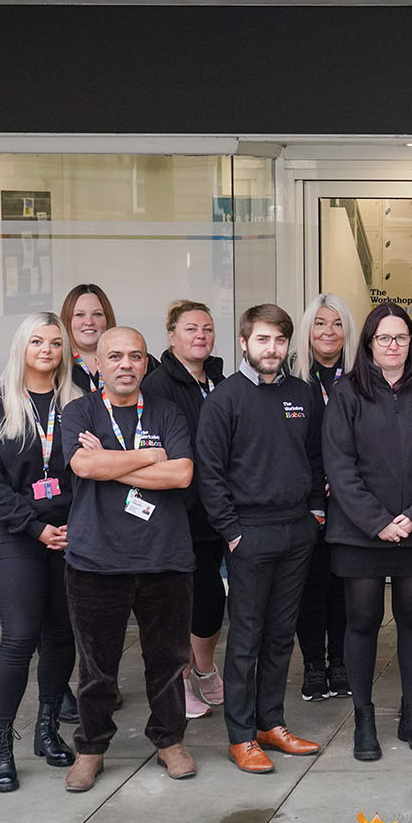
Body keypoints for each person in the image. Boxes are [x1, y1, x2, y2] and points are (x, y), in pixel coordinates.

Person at [59, 326, 199, 792]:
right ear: (96, 363)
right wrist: (146, 455)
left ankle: (168, 741)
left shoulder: (168, 410)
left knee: (168, 661)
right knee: (97, 667)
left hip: (165, 558)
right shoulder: (79, 411)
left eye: (135, 357)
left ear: (145, 364)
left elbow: (180, 474)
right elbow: (83, 466)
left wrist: (113, 463)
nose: (125, 364)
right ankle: (91, 748)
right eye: (115, 356)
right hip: (96, 561)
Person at [324, 302, 412, 762]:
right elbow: (339, 466)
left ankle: (410, 714)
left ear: (411, 343)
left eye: (401, 337)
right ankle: (364, 718)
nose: (394, 345)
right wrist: (377, 521)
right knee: (361, 622)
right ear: (369, 345)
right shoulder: (347, 394)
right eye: (384, 338)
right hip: (360, 533)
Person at [196, 304, 327, 774]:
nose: (272, 349)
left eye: (279, 341)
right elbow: (209, 474)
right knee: (247, 637)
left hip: (296, 531)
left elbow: (315, 458)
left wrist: (314, 514)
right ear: (244, 343)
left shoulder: (303, 394)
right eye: (263, 340)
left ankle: (272, 723)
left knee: (279, 636)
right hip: (248, 534)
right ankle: (241, 736)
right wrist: (231, 532)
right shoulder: (225, 400)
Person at [0, 312, 82, 791]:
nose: (47, 350)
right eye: (37, 341)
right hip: (20, 539)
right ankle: (0, 746)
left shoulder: (80, 405)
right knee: (18, 640)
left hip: (74, 537)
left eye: (55, 343)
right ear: (22, 348)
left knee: (61, 636)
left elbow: (92, 474)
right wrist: (36, 529)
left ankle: (48, 730)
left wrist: (71, 524)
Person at [140, 300, 228, 721]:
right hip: (178, 510)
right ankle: (179, 679)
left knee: (212, 601)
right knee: (178, 602)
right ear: (172, 335)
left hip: (217, 508)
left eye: (207, 329)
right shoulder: (157, 386)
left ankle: (204, 667)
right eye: (191, 329)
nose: (201, 336)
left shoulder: (220, 378)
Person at [291, 293, 356, 702]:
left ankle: (342, 663)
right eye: (319, 323)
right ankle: (314, 665)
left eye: (336, 323)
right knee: (309, 585)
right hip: (306, 498)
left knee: (345, 584)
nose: (328, 332)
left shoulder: (360, 377)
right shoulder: (292, 378)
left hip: (350, 499)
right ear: (307, 331)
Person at [61, 284, 116, 392]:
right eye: (80, 315)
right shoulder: (56, 364)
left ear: (107, 319)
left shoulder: (133, 361)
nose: (89, 322)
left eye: (97, 314)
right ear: (67, 320)